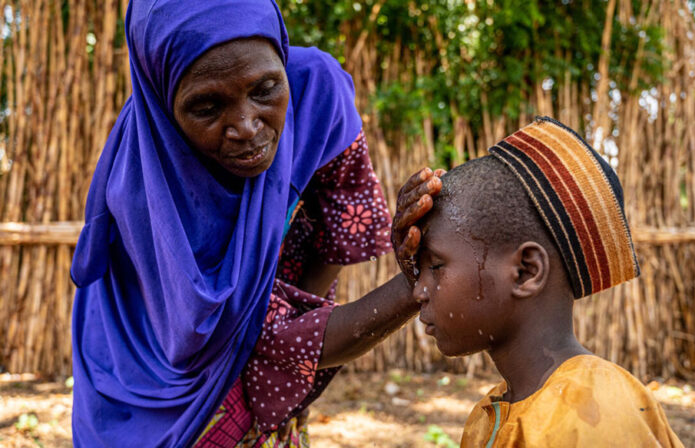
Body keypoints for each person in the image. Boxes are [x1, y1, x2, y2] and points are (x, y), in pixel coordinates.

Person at [69, 1, 442, 446]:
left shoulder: (315, 94)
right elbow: (245, 335)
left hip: (278, 311)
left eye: (265, 89)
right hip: (154, 383)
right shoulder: (142, 193)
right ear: (163, 104)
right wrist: (415, 282)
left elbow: (339, 229)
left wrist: (292, 383)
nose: (246, 127)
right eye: (206, 108)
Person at [401, 117, 683, 447]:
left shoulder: (594, 414)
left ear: (525, 271)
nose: (417, 290)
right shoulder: (489, 415)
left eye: (436, 265)